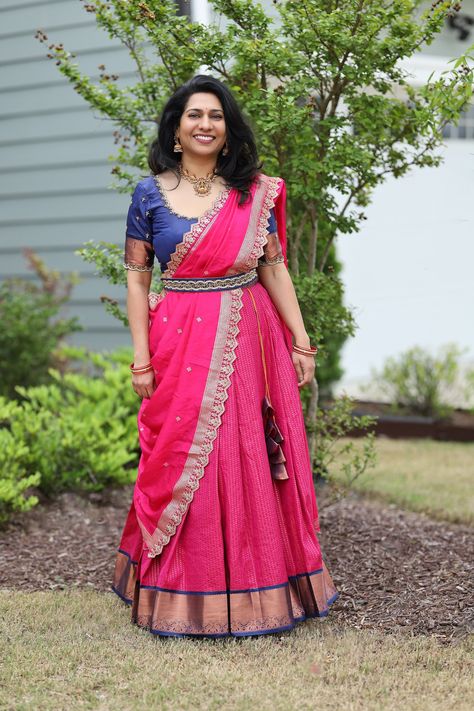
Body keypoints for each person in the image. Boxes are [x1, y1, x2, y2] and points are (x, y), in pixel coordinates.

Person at [112, 74, 339, 638]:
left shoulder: (252, 192)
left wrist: (301, 341)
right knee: (179, 455)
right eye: (194, 115)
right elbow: (138, 280)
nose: (205, 125)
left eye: (216, 116)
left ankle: (260, 583)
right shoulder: (149, 194)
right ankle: (179, 586)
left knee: (243, 455)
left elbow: (274, 268)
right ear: (176, 127)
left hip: (247, 334)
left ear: (229, 129)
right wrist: (141, 358)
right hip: (177, 339)